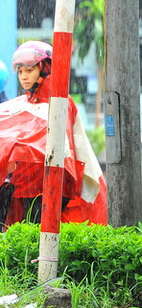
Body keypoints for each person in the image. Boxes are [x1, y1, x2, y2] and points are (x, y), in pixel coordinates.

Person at [7, 40, 106, 224]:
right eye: (20, 72)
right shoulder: (26, 102)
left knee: (44, 239)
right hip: (25, 184)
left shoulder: (61, 102)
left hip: (50, 185)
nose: (24, 77)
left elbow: (64, 147)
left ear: (45, 68)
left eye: (29, 71)